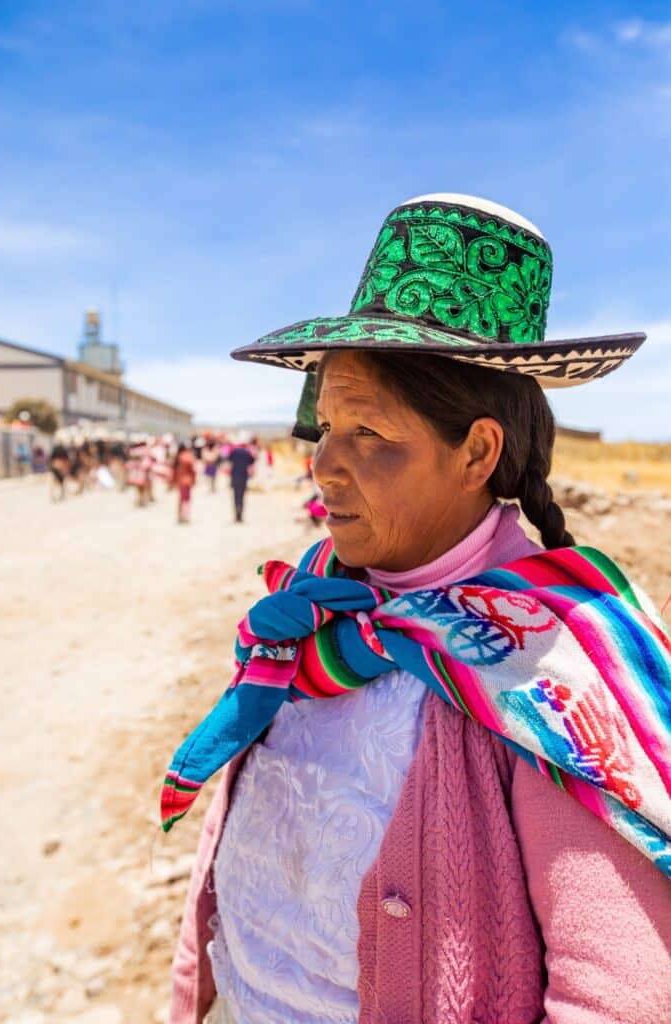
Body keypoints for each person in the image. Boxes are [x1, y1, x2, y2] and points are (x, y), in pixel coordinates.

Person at [165, 195, 671, 1024]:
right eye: (324, 427)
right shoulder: (319, 603)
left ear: (475, 451)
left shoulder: (543, 667)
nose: (323, 466)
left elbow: (620, 994)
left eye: (367, 432)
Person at [226, 435, 255, 523]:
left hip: (235, 476)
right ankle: (240, 515)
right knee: (242, 497)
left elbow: (228, 459)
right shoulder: (247, 452)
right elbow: (252, 461)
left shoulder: (234, 452)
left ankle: (236, 515)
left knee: (235, 497)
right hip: (243, 477)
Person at [173, 442, 197, 524]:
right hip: (187, 481)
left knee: (181, 499)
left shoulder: (178, 456)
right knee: (186, 499)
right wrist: (194, 479)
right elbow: (193, 470)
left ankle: (180, 515)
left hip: (179, 480)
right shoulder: (187, 456)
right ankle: (185, 516)